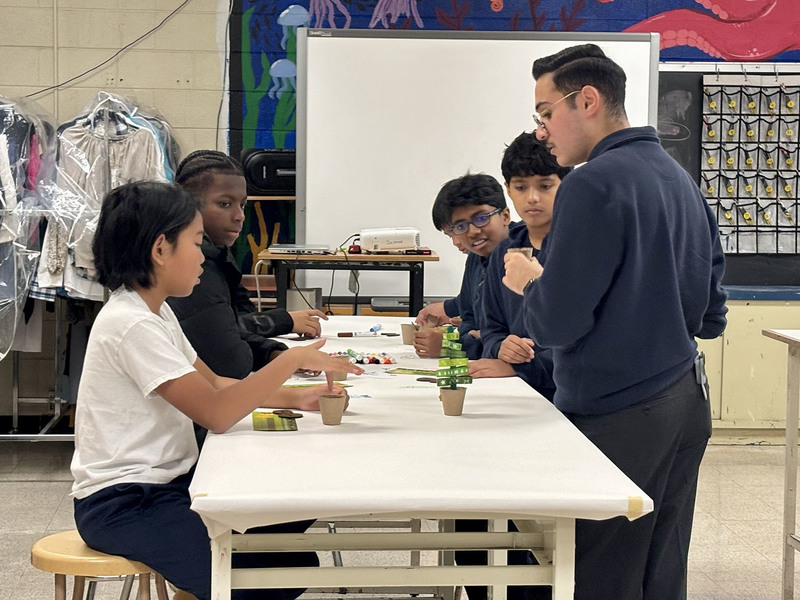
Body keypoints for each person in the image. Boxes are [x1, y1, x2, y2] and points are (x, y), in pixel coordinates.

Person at [503, 44, 727, 600]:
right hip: (684, 399)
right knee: (659, 568)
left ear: (587, 100)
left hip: (620, 410)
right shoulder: (680, 180)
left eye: (545, 112)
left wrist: (530, 280)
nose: (541, 131)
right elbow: (711, 316)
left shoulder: (592, 183)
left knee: (601, 573)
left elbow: (556, 322)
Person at [70, 181, 362, 600]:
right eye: (194, 241)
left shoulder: (155, 312)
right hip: (125, 502)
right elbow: (216, 412)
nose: (202, 257)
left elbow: (217, 385)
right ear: (160, 249)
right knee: (268, 576)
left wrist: (297, 397)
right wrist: (290, 361)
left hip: (171, 484)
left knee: (289, 541)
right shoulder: (131, 323)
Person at [168, 150, 327, 382]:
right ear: (187, 206)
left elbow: (234, 322)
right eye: (224, 204)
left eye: (242, 205)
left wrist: (272, 353)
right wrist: (282, 335)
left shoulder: (217, 252)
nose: (239, 216)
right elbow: (229, 362)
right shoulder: (191, 265)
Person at [471, 133, 571, 401]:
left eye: (545, 186)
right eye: (521, 187)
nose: (532, 198)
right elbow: (490, 325)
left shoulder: (576, 249)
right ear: (508, 189)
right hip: (513, 390)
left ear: (566, 185)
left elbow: (582, 337)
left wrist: (521, 366)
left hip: (564, 395)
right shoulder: (505, 251)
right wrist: (500, 347)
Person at [413, 173, 511, 359]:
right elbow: (468, 319)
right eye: (459, 227)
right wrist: (466, 341)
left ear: (505, 216)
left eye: (481, 218)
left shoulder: (524, 256)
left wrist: (452, 346)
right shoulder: (476, 257)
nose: (473, 232)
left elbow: (513, 341)